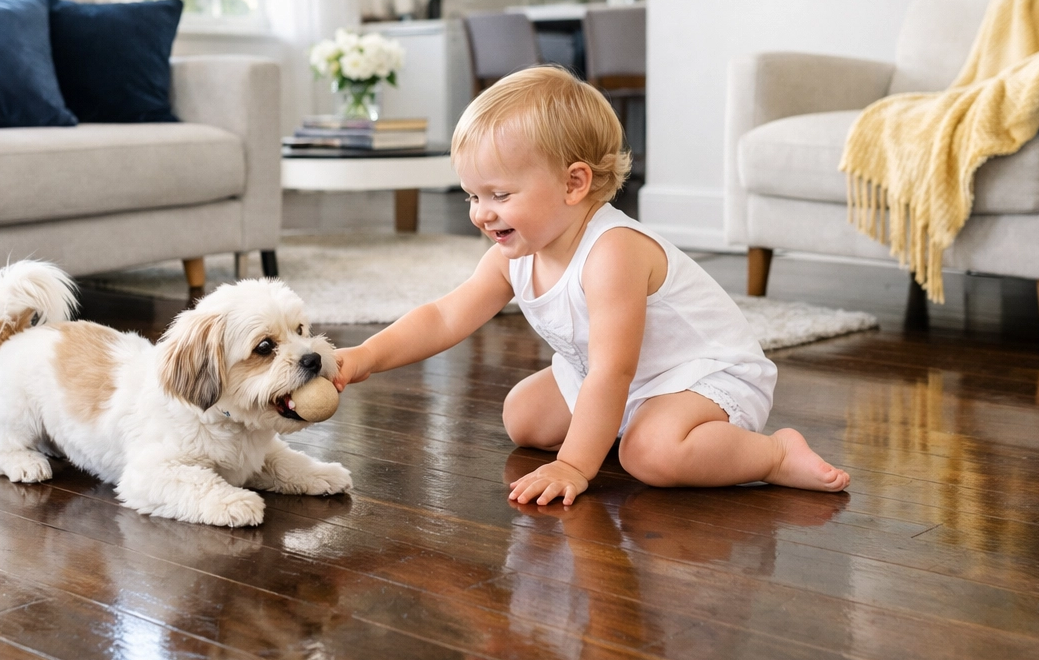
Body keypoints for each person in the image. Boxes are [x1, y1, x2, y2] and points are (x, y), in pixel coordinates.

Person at [332, 66, 850, 505]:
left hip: (699, 377)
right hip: (622, 382)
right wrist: (366, 357)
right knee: (524, 417)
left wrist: (574, 466)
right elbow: (445, 317)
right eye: (471, 195)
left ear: (574, 183)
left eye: (499, 194)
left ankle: (776, 453)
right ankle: (622, 427)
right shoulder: (514, 254)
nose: (481, 213)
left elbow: (612, 370)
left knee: (651, 455)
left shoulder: (612, 253)